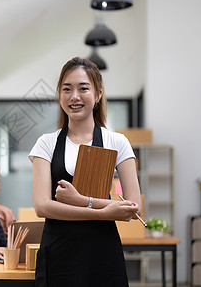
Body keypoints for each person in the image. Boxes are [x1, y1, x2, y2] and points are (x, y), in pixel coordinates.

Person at [28, 56, 142, 286]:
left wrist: (79, 200)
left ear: (98, 94)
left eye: (83, 88)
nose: (74, 97)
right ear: (59, 94)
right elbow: (42, 207)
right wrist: (104, 211)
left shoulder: (117, 142)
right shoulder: (46, 143)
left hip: (103, 254)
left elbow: (133, 208)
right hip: (60, 255)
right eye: (67, 89)